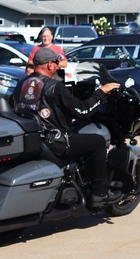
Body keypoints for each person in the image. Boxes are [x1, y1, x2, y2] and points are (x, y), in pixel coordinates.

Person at [15, 47, 122, 206]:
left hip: (32, 140)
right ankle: (99, 193)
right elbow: (83, 111)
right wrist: (101, 92)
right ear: (50, 65)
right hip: (55, 144)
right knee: (97, 141)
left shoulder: (22, 84)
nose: (58, 67)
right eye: (56, 63)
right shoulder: (55, 87)